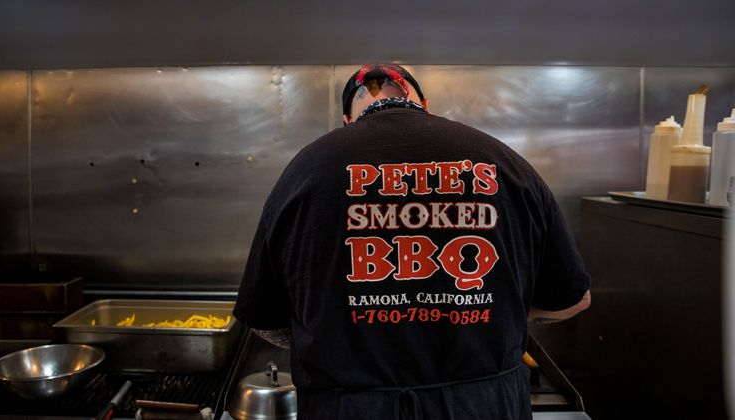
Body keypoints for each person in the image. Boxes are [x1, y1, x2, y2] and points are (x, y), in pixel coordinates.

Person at [233, 64, 591, 420]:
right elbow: (572, 300)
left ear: (347, 120)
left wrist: (342, 327)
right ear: (425, 105)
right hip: (483, 406)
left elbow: (264, 319)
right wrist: (495, 315)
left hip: (350, 409)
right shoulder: (507, 163)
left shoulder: (305, 170)